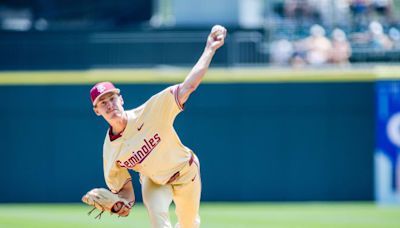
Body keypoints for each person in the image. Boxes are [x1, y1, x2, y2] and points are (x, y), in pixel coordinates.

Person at [86, 25, 227, 228]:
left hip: (186, 172)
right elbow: (126, 193)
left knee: (190, 225)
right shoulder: (110, 151)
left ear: (121, 99)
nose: (109, 105)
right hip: (154, 181)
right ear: (97, 111)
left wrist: (209, 49)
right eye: (103, 102)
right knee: (158, 222)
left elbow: (189, 86)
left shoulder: (151, 110)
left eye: (112, 98)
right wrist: (120, 205)